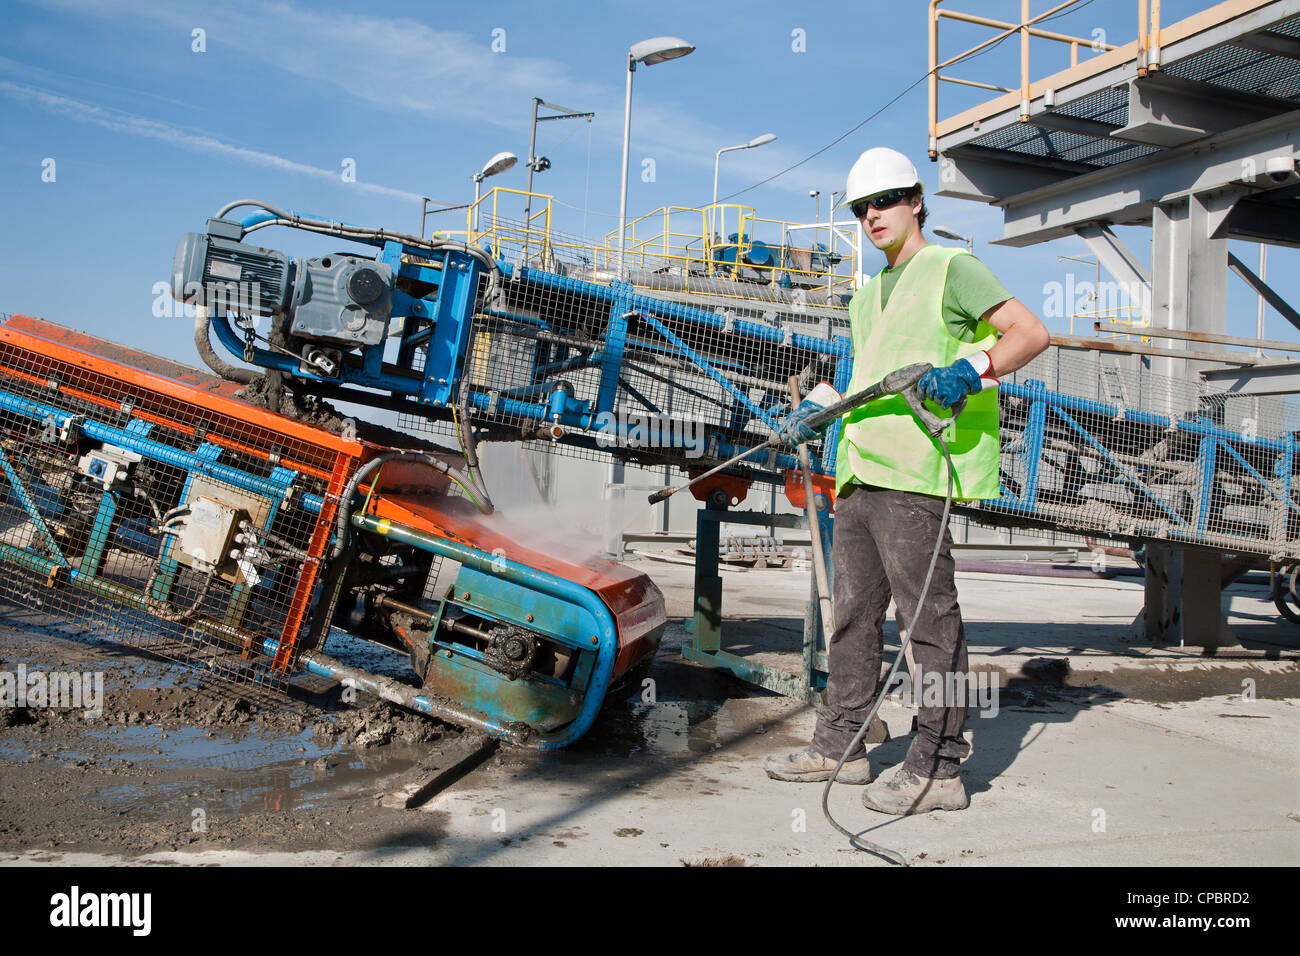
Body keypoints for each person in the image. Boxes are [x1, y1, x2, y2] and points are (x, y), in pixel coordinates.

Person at [763, 147, 1050, 814]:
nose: (871, 216)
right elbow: (870, 376)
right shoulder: (869, 296)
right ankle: (843, 745)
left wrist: (973, 370)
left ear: (916, 200)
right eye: (861, 209)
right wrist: (817, 409)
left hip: (920, 473)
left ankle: (940, 770)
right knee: (853, 619)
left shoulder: (952, 267)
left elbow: (1029, 333)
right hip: (861, 470)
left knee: (929, 627)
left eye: (884, 201)